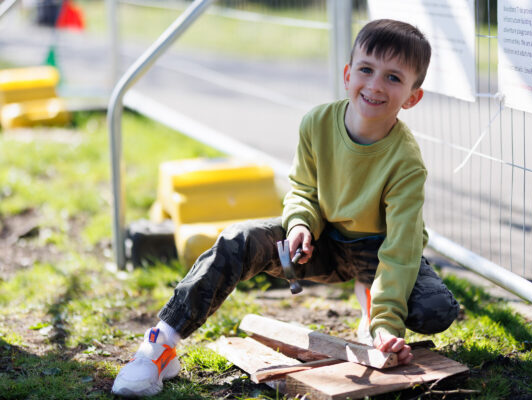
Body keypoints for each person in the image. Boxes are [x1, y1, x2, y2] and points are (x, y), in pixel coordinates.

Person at [112, 18, 459, 397]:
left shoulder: (406, 161)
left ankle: (371, 303)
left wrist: (386, 325)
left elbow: (402, 248)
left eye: (393, 78)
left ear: (412, 96)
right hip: (323, 242)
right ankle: (159, 346)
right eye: (366, 69)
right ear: (347, 74)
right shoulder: (318, 123)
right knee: (237, 239)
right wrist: (299, 225)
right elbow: (303, 189)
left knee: (435, 310)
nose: (375, 85)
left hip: (379, 249)